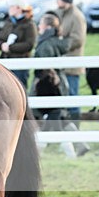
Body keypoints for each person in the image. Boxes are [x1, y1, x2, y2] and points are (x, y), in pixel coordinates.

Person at [30, 11, 77, 158]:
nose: (38, 26)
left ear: (48, 27)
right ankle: (81, 145)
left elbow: (43, 69)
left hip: (49, 86)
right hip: (58, 84)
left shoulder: (45, 45)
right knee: (60, 118)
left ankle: (40, 151)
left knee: (53, 121)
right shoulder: (56, 41)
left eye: (41, 24)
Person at [56, 0, 90, 156]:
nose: (57, 2)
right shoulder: (62, 13)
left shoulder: (77, 16)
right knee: (64, 102)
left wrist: (61, 44)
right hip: (63, 64)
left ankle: (76, 133)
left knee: (73, 101)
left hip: (72, 65)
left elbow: (78, 39)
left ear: (66, 1)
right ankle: (70, 135)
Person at [0, 0, 37, 89]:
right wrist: (1, 45)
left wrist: (11, 48)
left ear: (18, 8)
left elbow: (29, 45)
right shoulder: (9, 22)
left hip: (20, 63)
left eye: (11, 7)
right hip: (5, 61)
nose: (9, 9)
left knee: (20, 88)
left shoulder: (29, 25)